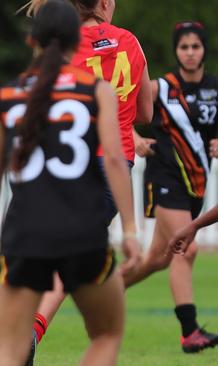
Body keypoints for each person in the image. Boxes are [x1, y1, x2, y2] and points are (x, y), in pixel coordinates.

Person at [0, 1, 151, 364]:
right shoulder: (113, 63)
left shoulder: (11, 95)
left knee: (9, 347)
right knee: (106, 334)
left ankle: (10, 349)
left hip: (28, 218)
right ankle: (24, 340)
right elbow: (134, 127)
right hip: (86, 197)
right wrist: (132, 231)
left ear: (33, 43)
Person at [125, 21, 218, 353]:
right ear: (176, 51)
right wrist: (135, 138)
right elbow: (120, 111)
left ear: (204, 49)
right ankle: (189, 332)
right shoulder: (161, 88)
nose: (190, 53)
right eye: (184, 47)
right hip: (164, 179)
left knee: (157, 259)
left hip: (196, 184)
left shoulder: (214, 89)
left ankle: (102, 293)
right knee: (186, 248)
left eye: (195, 46)